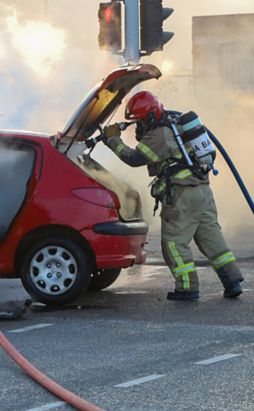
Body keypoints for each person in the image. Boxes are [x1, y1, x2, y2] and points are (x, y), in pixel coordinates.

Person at [103, 92, 243, 301]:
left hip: (182, 195)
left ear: (150, 117)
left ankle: (186, 288)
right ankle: (232, 281)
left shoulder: (159, 134)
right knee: (212, 239)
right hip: (202, 191)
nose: (138, 127)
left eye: (139, 122)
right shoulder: (175, 123)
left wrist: (113, 140)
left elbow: (133, 158)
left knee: (173, 244)